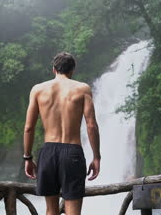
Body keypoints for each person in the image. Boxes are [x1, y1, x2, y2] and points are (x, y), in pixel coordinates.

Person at [23, 52, 101, 215]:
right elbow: (91, 125)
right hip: (72, 152)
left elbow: (28, 128)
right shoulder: (82, 89)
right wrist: (96, 157)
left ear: (54, 69)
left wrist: (28, 158)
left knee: (51, 211)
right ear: (72, 70)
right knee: (73, 211)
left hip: (48, 152)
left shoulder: (38, 90)